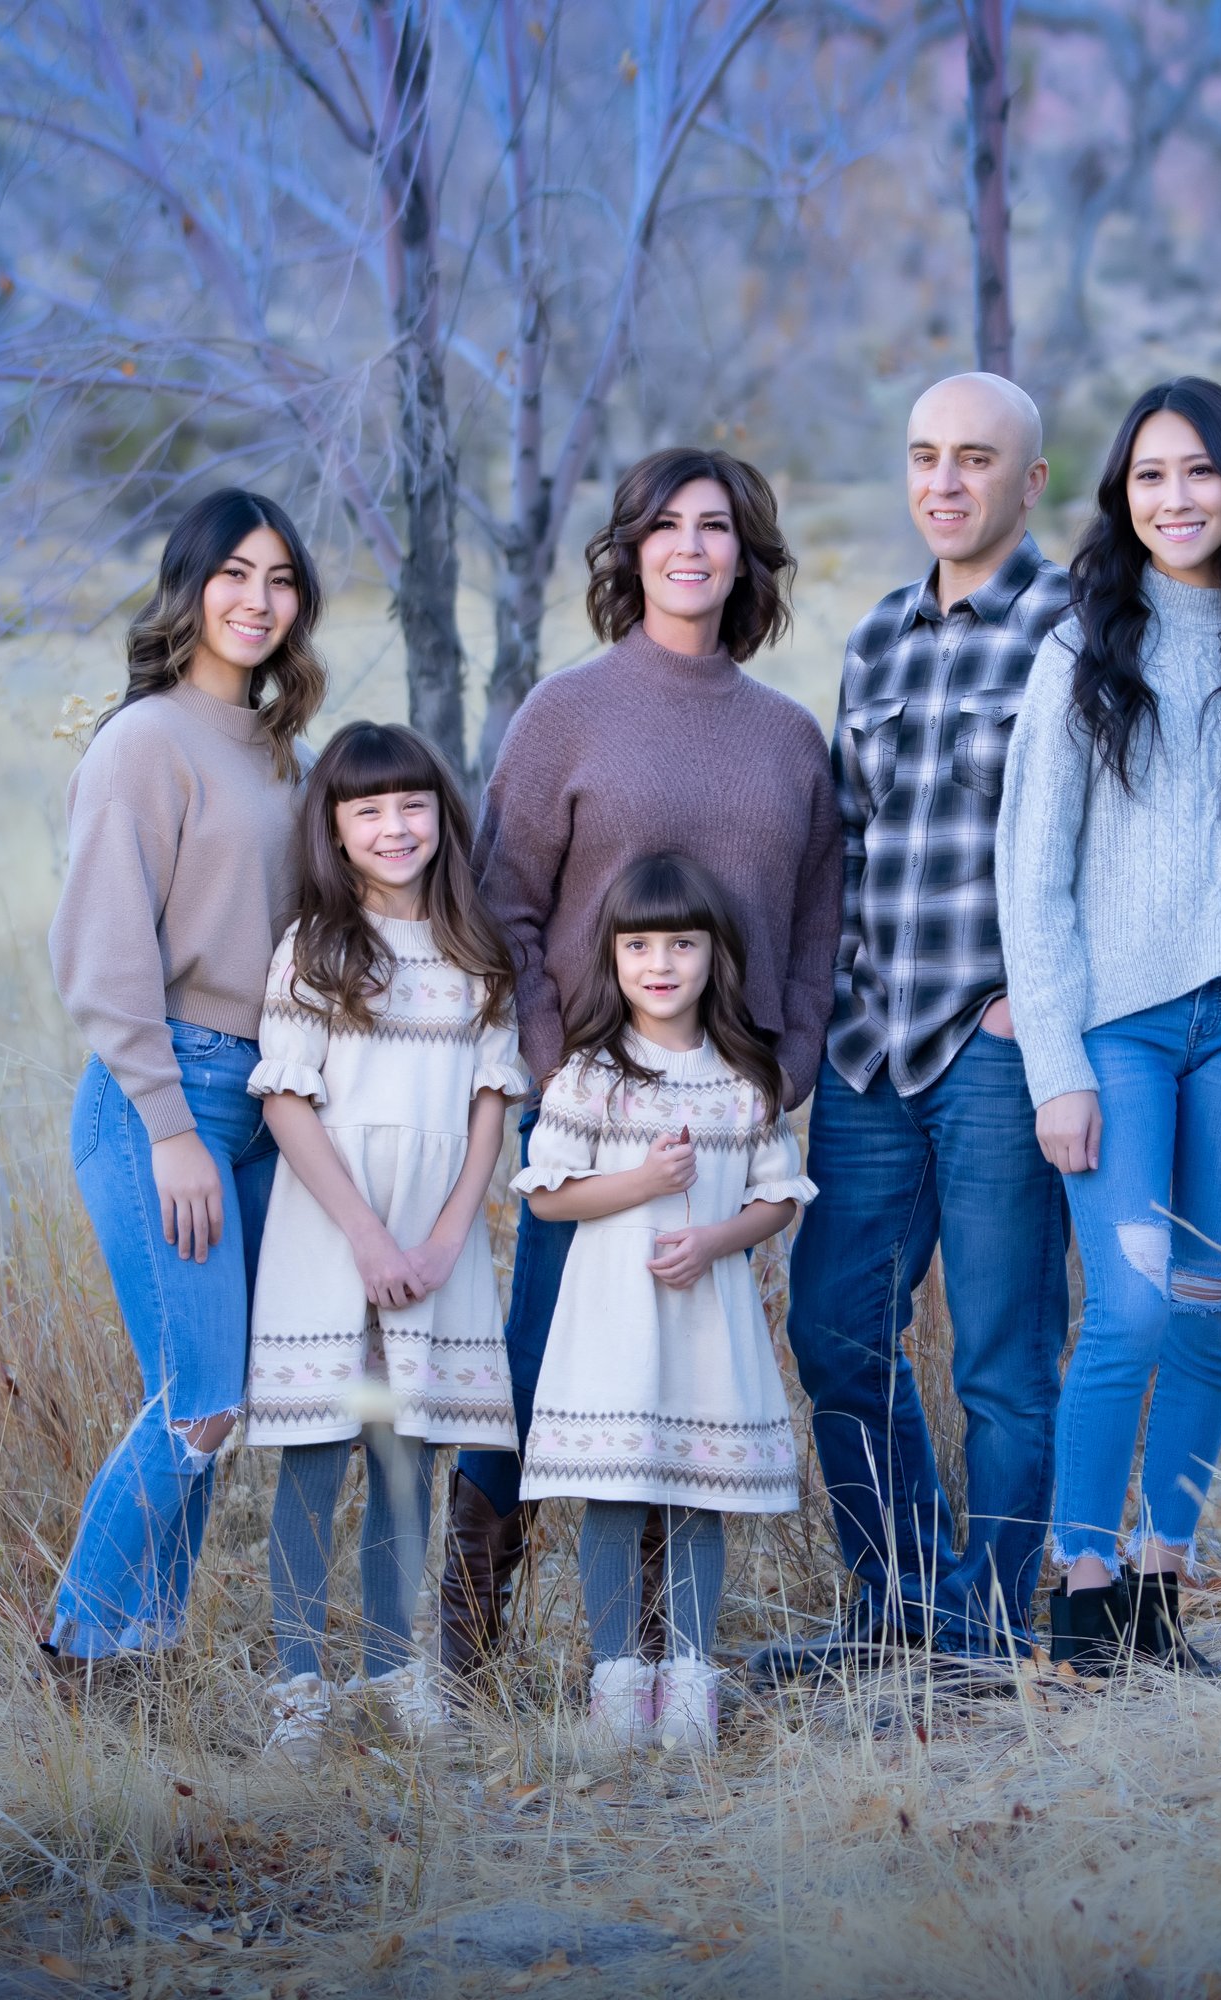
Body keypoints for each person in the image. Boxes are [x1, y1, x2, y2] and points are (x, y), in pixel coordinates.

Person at [443, 449, 840, 1686]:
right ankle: (470, 1621)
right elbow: (502, 904)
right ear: (628, 552)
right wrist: (565, 1070)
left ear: (746, 554)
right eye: (663, 526)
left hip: (729, 1110)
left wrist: (790, 1062)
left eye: (714, 526)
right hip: (590, 1108)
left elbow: (821, 915)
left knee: (692, 1353)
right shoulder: (565, 710)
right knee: (544, 1352)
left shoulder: (786, 736)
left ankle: (666, 1656)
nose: (689, 547)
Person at [997, 377, 1221, 1676]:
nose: (1176, 498)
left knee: (1207, 1312)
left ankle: (1159, 1586)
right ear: (1120, 497)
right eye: (1149, 476)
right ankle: (1080, 1589)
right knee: (1130, 1312)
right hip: (1120, 1040)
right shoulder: (1081, 649)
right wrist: (1056, 1070)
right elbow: (1029, 878)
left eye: (1200, 473)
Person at [754, 371, 1073, 1680]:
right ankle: (900, 1606)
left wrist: (1039, 1007)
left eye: (977, 459)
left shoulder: (1075, 633)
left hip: (998, 1049)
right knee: (834, 1325)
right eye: (924, 456)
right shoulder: (877, 638)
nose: (946, 482)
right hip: (870, 1046)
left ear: (1030, 481)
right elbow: (849, 842)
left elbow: (1101, 847)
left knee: (1003, 1358)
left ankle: (988, 1634)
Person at [44, 488, 326, 1672]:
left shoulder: (281, 749)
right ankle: (77, 1648)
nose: (257, 600)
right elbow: (103, 958)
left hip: (260, 1100)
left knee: (215, 1408)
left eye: (280, 579)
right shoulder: (143, 741)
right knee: (198, 1400)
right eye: (234, 575)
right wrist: (167, 1127)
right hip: (165, 1097)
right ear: (189, 586)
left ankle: (141, 1661)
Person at [242, 721, 528, 1763]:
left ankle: (392, 1670)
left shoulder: (475, 950)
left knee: (406, 1461)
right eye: (367, 809)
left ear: (440, 817)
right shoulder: (316, 948)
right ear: (334, 828)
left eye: (411, 804)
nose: (393, 825)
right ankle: (299, 1686)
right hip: (332, 1235)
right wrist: (365, 1237)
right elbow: (286, 1103)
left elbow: (492, 1104)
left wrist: (448, 1237)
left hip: (435, 1246)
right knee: (316, 1461)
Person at [514, 853, 815, 1755]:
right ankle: (618, 1678)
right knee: (612, 1495)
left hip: (703, 1322)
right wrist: (641, 1179)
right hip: (612, 1322)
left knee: (695, 1496)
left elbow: (779, 1195)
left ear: (713, 955)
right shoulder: (591, 1075)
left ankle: (688, 1677)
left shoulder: (744, 1080)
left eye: (680, 944)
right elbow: (547, 1197)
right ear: (611, 957)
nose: (660, 963)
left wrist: (717, 1239)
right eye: (638, 944)